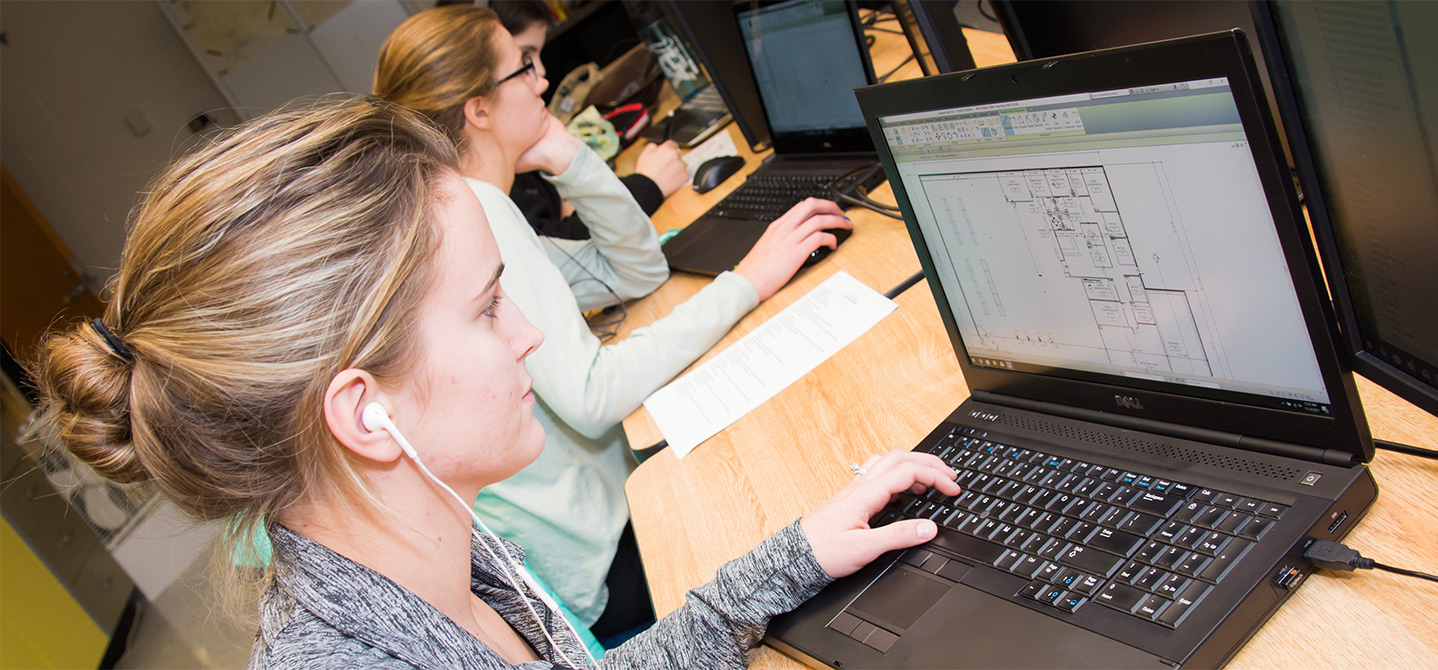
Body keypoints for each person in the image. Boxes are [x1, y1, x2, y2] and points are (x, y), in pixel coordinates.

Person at [29, 98, 956, 669]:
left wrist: (787, 560)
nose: (527, 337)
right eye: (485, 310)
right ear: (365, 411)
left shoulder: (431, 544)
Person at [372, 5, 852, 642]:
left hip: (601, 525)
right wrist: (749, 281)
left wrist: (570, 156)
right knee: (812, 480)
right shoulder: (476, 212)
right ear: (478, 110)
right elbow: (594, 394)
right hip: (610, 559)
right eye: (525, 67)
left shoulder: (478, 206)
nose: (544, 80)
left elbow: (635, 271)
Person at [440, 0, 690, 241]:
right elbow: (565, 247)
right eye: (523, 60)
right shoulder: (477, 204)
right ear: (478, 109)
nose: (541, 76)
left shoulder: (519, 152)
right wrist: (648, 186)